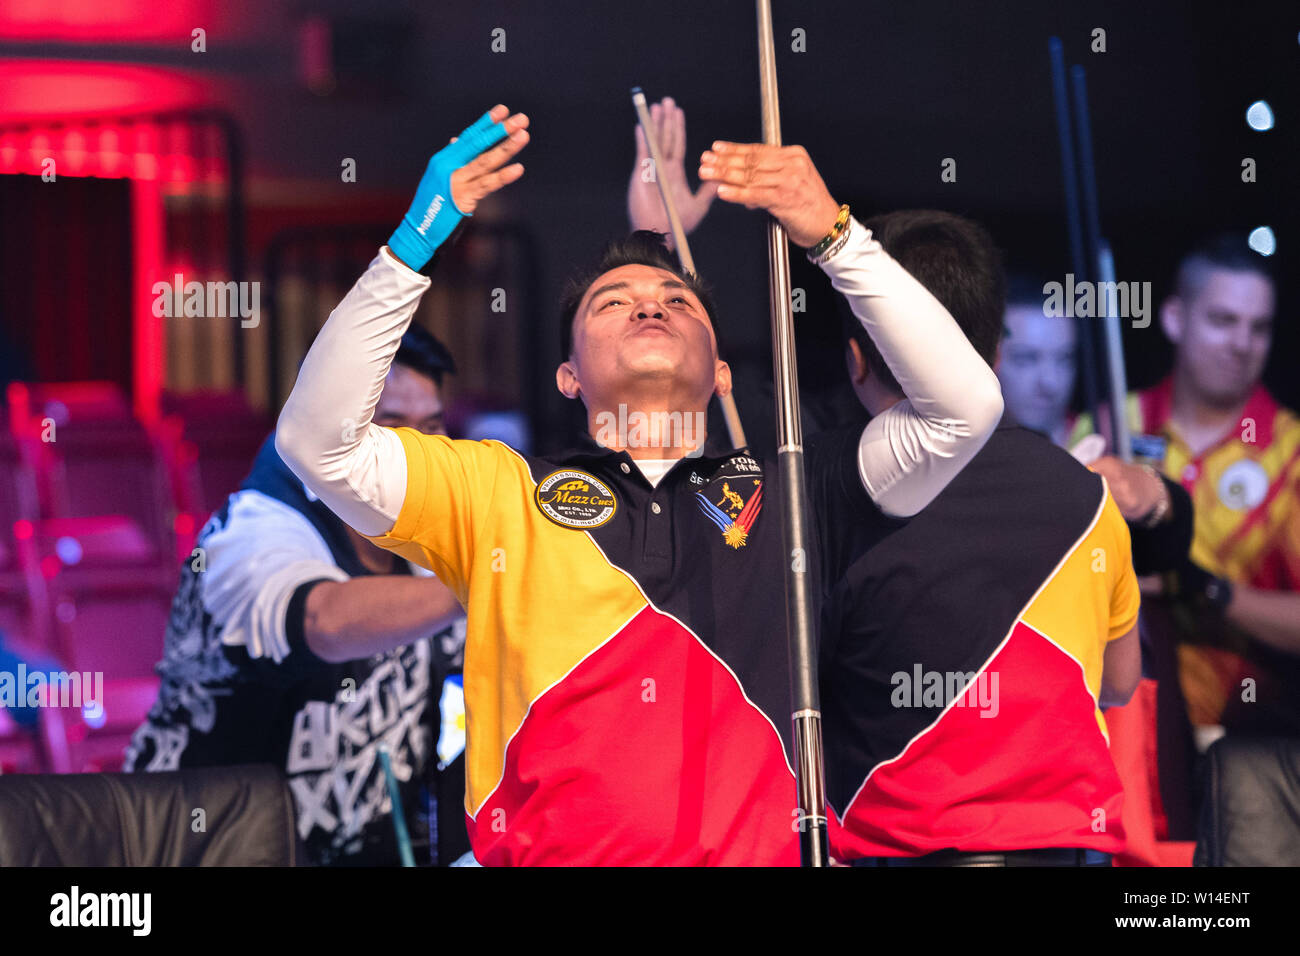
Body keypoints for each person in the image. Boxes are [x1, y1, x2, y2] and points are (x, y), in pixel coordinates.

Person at [276, 104, 1004, 865]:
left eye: (678, 303)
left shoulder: (796, 489)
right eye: (612, 303)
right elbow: (316, 443)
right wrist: (409, 246)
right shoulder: (496, 489)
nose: (650, 304)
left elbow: (966, 408)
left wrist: (835, 236)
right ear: (568, 376)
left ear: (722, 371)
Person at [799, 210, 1142, 866]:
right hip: (1061, 856)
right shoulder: (1092, 498)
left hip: (891, 853)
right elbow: (1121, 682)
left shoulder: (824, 489)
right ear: (993, 356)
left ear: (855, 359)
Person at [124, 323, 470, 867]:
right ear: (325, 430)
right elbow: (324, 623)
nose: (418, 454)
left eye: (431, 428)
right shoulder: (247, 532)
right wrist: (486, 577)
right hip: (198, 849)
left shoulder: (431, 540)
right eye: (391, 428)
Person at [1121, 235, 1300, 742]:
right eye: (1223, 321)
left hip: (1250, 741)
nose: (1242, 344)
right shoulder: (1112, 422)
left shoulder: (1291, 452)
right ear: (1176, 318)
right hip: (1121, 733)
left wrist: (1206, 589)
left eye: (1259, 328)